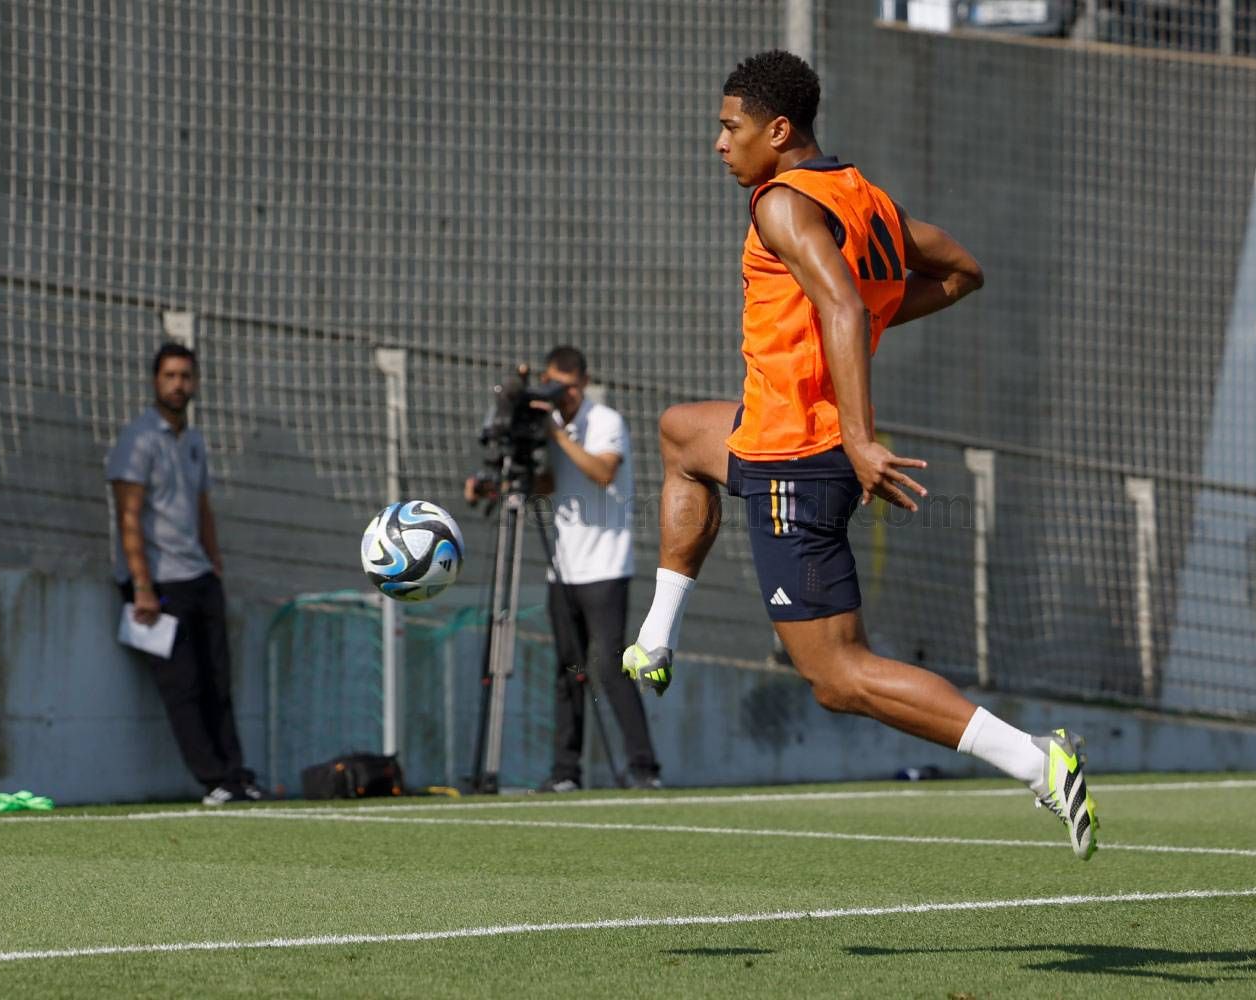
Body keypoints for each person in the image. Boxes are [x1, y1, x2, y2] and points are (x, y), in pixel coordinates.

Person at [621, 51, 1096, 858]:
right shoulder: (860, 195)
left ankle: (1035, 760)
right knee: (681, 433)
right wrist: (868, 323)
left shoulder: (781, 205)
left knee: (838, 677)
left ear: (778, 130)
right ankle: (656, 637)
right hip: (770, 431)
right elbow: (961, 272)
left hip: (796, 459)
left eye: (731, 128)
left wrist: (857, 433)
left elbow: (842, 305)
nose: (719, 143)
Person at [467, 346, 662, 792]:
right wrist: (497, 486)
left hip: (606, 567)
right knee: (568, 671)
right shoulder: (553, 427)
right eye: (556, 385)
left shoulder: (605, 421)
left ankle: (644, 768)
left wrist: (557, 435)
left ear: (583, 384)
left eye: (571, 387)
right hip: (564, 569)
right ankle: (565, 772)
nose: (564, 395)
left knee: (609, 667)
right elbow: (552, 483)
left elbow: (602, 472)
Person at [107, 342, 261, 806]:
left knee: (218, 682)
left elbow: (202, 507)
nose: (178, 384)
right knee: (184, 686)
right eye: (170, 376)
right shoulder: (138, 440)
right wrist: (142, 587)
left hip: (199, 576)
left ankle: (236, 775)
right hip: (158, 583)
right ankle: (212, 780)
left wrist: (214, 563)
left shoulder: (193, 441)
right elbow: (128, 517)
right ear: (155, 381)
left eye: (185, 376)